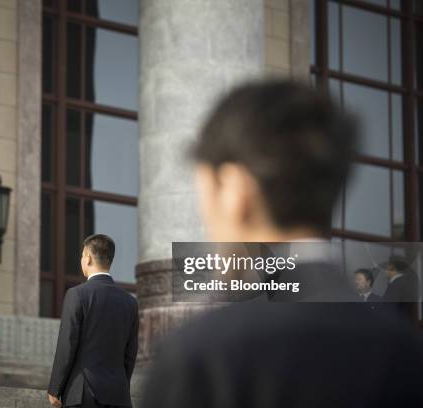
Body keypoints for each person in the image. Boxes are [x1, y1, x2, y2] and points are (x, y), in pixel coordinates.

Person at [141, 80, 423, 407]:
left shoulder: (196, 357)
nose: (206, 218)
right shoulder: (406, 355)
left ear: (235, 191)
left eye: (205, 193)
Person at [47, 234, 139, 408]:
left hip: (82, 394)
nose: (82, 259)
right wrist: (121, 386)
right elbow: (130, 353)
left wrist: (55, 387)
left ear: (88, 258)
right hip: (118, 396)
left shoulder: (77, 294)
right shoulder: (130, 302)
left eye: (82, 255)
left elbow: (67, 344)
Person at [382, 255, 420, 321]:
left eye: (386, 266)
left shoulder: (397, 285)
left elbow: (389, 309)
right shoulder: (404, 282)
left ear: (391, 266)